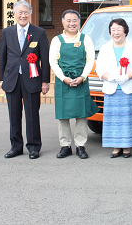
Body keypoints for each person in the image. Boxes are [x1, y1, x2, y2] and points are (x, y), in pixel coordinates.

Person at [0, 0, 50, 160]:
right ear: (14, 14)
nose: (23, 15)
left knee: (32, 115)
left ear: (30, 14)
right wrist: (2, 79)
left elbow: (45, 59)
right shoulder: (7, 32)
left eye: (26, 12)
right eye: (20, 12)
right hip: (12, 79)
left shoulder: (39, 32)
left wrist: (45, 81)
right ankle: (16, 147)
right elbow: (2, 57)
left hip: (32, 79)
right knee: (14, 115)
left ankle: (34, 147)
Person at [50, 9, 98, 159]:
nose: (72, 23)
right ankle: (65, 145)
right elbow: (53, 61)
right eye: (68, 20)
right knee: (63, 116)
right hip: (63, 81)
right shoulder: (57, 40)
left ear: (79, 22)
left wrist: (82, 77)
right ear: (63, 22)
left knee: (81, 115)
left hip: (80, 80)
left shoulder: (86, 39)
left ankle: (80, 146)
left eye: (74, 20)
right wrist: (63, 77)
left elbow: (90, 60)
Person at [95, 19, 132, 158]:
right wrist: (108, 77)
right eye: (113, 29)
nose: (116, 32)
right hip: (111, 89)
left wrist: (127, 76)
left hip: (128, 89)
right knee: (113, 120)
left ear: (125, 31)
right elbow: (99, 68)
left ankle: (127, 147)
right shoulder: (105, 48)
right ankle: (116, 146)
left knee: (127, 120)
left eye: (119, 29)